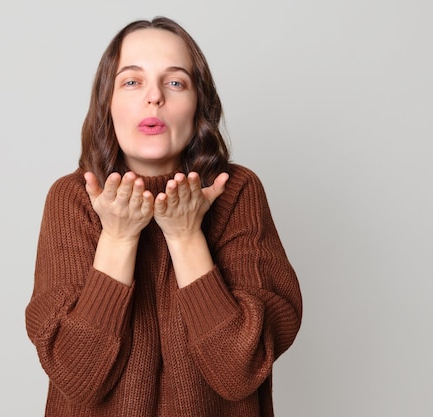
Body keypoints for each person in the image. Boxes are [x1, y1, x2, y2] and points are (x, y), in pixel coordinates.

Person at [25, 16, 302, 417]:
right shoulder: (73, 199)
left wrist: (187, 236)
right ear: (108, 102)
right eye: (132, 81)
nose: (154, 97)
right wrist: (118, 239)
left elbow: (238, 371)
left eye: (175, 82)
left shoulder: (237, 192)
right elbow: (76, 376)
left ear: (198, 105)